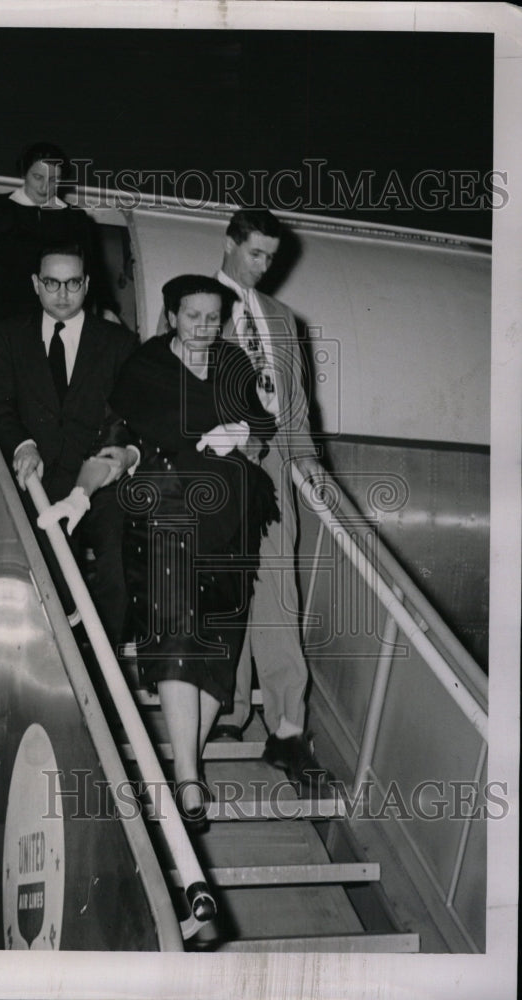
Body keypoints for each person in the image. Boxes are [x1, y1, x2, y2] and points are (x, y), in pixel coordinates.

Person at [40, 275, 279, 829]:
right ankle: (190, 781)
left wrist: (244, 437)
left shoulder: (233, 366)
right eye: (193, 316)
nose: (204, 327)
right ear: (171, 316)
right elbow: (118, 446)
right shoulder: (145, 368)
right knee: (176, 631)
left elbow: (262, 431)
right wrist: (80, 493)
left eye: (213, 317)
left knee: (220, 643)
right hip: (168, 508)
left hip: (232, 518)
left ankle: (185, 764)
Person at [213, 207, 333, 792]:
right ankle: (229, 711)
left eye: (270, 257)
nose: (263, 266)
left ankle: (287, 728)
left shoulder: (284, 320)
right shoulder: (196, 306)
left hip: (276, 470)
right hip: (218, 470)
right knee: (223, 591)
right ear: (230, 243)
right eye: (255, 253)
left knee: (278, 596)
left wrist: (306, 461)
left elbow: (296, 407)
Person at [0, 243, 138, 648]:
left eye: (72, 283)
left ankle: (107, 667)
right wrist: (22, 445)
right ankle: (59, 657)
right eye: (52, 282)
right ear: (36, 284)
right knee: (43, 574)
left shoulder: (118, 342)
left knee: (118, 567)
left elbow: (127, 414)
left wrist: (104, 465)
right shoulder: (10, 336)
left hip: (99, 484)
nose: (62, 293)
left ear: (86, 285)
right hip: (40, 478)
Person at [0, 141, 117, 397]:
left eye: (54, 179)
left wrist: (112, 326)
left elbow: (93, 283)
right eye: (37, 177)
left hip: (45, 328)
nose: (44, 187)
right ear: (23, 174)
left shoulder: (75, 220)